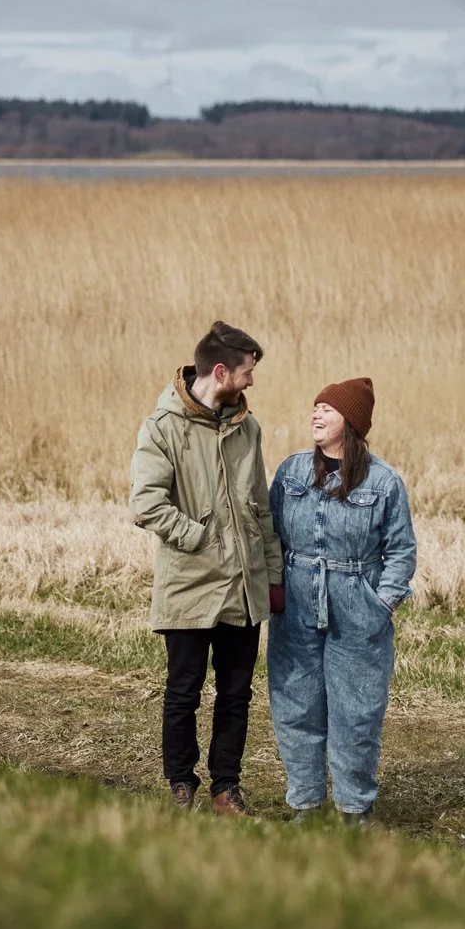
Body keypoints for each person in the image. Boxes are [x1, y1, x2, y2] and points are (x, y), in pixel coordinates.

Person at [130, 321, 285, 816]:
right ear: (220, 372)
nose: (252, 381)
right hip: (189, 583)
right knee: (184, 692)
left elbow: (261, 509)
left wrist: (273, 575)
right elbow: (146, 504)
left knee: (236, 693)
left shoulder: (248, 428)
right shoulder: (162, 427)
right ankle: (181, 784)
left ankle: (226, 789)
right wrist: (199, 538)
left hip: (243, 585)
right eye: (247, 371)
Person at [267, 378, 416, 823]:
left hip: (357, 606)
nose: (316, 414)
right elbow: (269, 534)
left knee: (357, 712)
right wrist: (274, 589)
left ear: (350, 421)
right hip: (296, 604)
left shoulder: (384, 482)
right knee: (296, 706)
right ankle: (306, 806)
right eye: (315, 406)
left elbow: (401, 551)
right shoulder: (291, 472)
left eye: (327, 409)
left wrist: (381, 604)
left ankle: (354, 809)